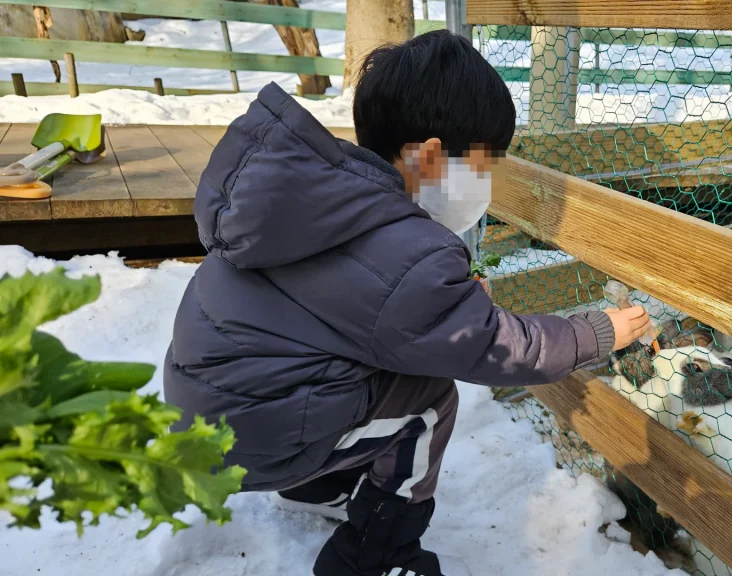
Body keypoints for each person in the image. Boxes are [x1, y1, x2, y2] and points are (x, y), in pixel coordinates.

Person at [163, 29, 650, 576]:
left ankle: (317, 486)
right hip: (256, 438)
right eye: (484, 167)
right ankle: (376, 555)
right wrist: (596, 331)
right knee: (426, 400)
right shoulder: (405, 251)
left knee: (376, 374)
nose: (485, 184)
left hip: (208, 411)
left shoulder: (318, 200)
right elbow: (493, 347)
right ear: (432, 158)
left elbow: (355, 314)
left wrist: (448, 301)